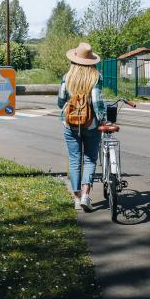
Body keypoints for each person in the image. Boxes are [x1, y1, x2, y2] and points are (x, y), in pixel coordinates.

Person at [57, 42, 106, 212]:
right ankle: (86, 195)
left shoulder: (67, 77)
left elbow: (61, 101)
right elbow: (97, 102)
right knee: (90, 159)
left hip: (70, 124)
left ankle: (77, 199)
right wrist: (102, 119)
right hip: (90, 124)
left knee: (74, 160)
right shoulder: (96, 77)